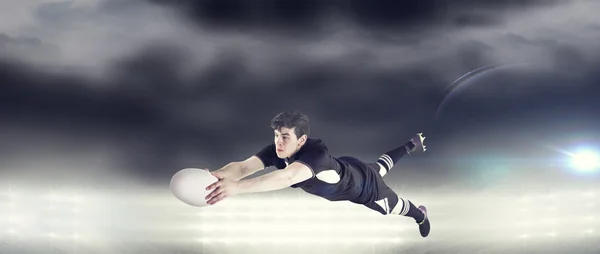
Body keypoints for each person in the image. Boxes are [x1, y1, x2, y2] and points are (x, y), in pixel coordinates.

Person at [204, 110, 431, 237]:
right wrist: (217, 175)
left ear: (301, 140)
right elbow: (243, 167)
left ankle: (421, 214)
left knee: (394, 205)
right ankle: (411, 145)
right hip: (348, 167)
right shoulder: (278, 150)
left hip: (365, 189)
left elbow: (288, 177)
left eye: (285, 137)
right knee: (380, 166)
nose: (278, 142)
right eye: (276, 135)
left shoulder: (315, 156)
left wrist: (236, 188)